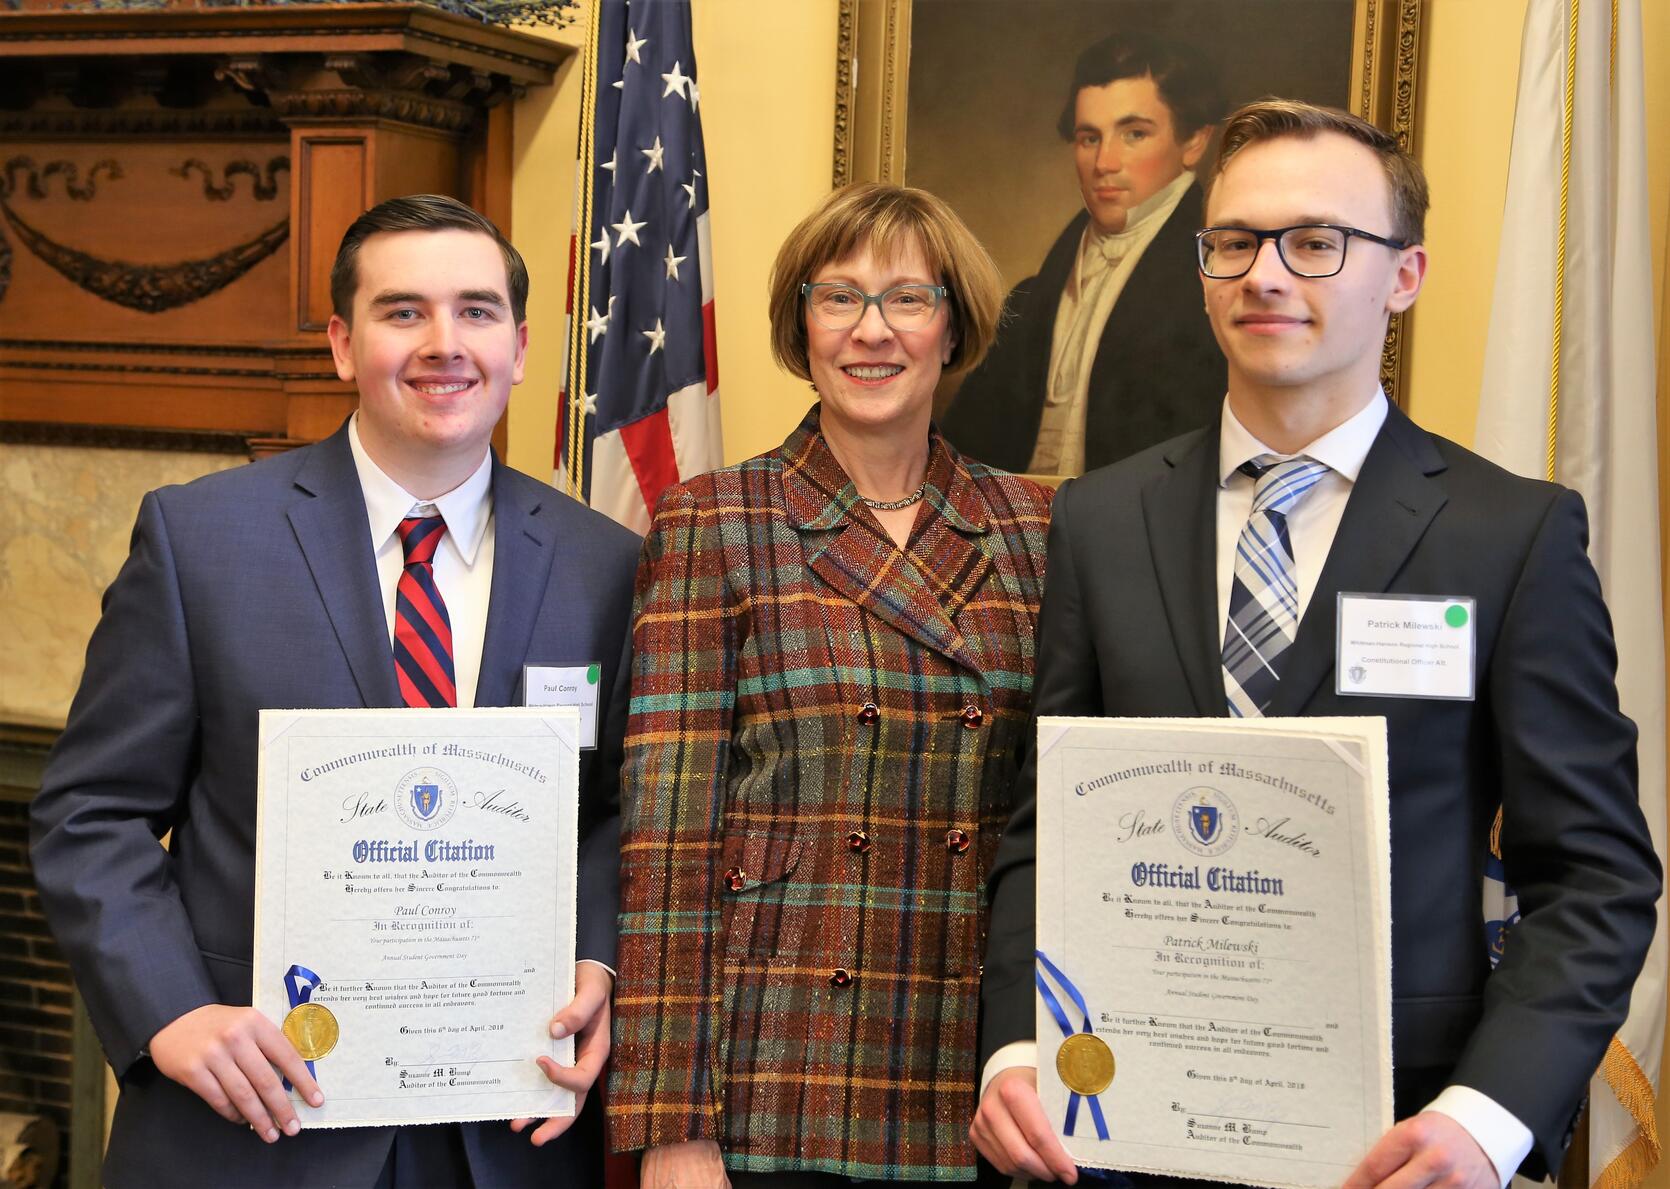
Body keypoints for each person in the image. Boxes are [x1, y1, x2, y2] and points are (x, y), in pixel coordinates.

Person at [971, 99, 1660, 1187]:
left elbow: (1591, 875)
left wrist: (1487, 1118)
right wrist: (1015, 1044)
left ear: (1402, 276)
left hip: (1398, 1139)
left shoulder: (1507, 535)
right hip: (1114, 1132)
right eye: (1234, 241)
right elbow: (1041, 828)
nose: (1265, 273)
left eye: (1315, 241)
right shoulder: (1098, 521)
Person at [29, 194, 640, 1188]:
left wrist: (597, 960)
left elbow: (615, 812)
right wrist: (170, 1011)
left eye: (476, 312)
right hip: (250, 1121)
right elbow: (88, 813)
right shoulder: (201, 542)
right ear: (341, 343)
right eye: (403, 312)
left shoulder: (605, 564)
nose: (445, 344)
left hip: (504, 1126)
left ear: (520, 347)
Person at [607, 182, 1052, 1187]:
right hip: (783, 1079)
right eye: (838, 297)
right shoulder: (713, 522)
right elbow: (666, 846)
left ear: (953, 326)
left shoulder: (1037, 526)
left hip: (986, 1078)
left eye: (906, 297)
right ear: (799, 325)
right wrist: (671, 1128)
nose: (871, 330)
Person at [942, 30, 1226, 476]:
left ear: (1194, 142)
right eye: (1089, 138)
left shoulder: (1219, 281)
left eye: (1134, 133)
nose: (1105, 163)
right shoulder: (1037, 296)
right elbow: (963, 453)